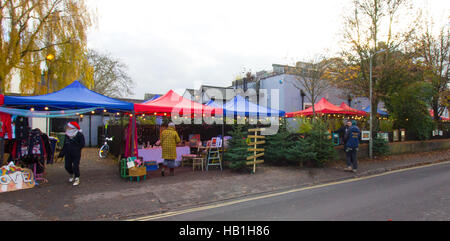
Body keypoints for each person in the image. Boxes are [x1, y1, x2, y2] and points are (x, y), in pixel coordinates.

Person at [58, 121, 85, 186]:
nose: (67, 127)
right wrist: (62, 152)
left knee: (75, 166)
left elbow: (82, 144)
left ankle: (77, 178)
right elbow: (65, 144)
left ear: (72, 127)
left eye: (68, 126)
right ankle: (71, 173)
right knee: (67, 166)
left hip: (76, 153)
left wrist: (77, 149)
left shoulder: (79, 134)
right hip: (68, 152)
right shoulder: (67, 134)